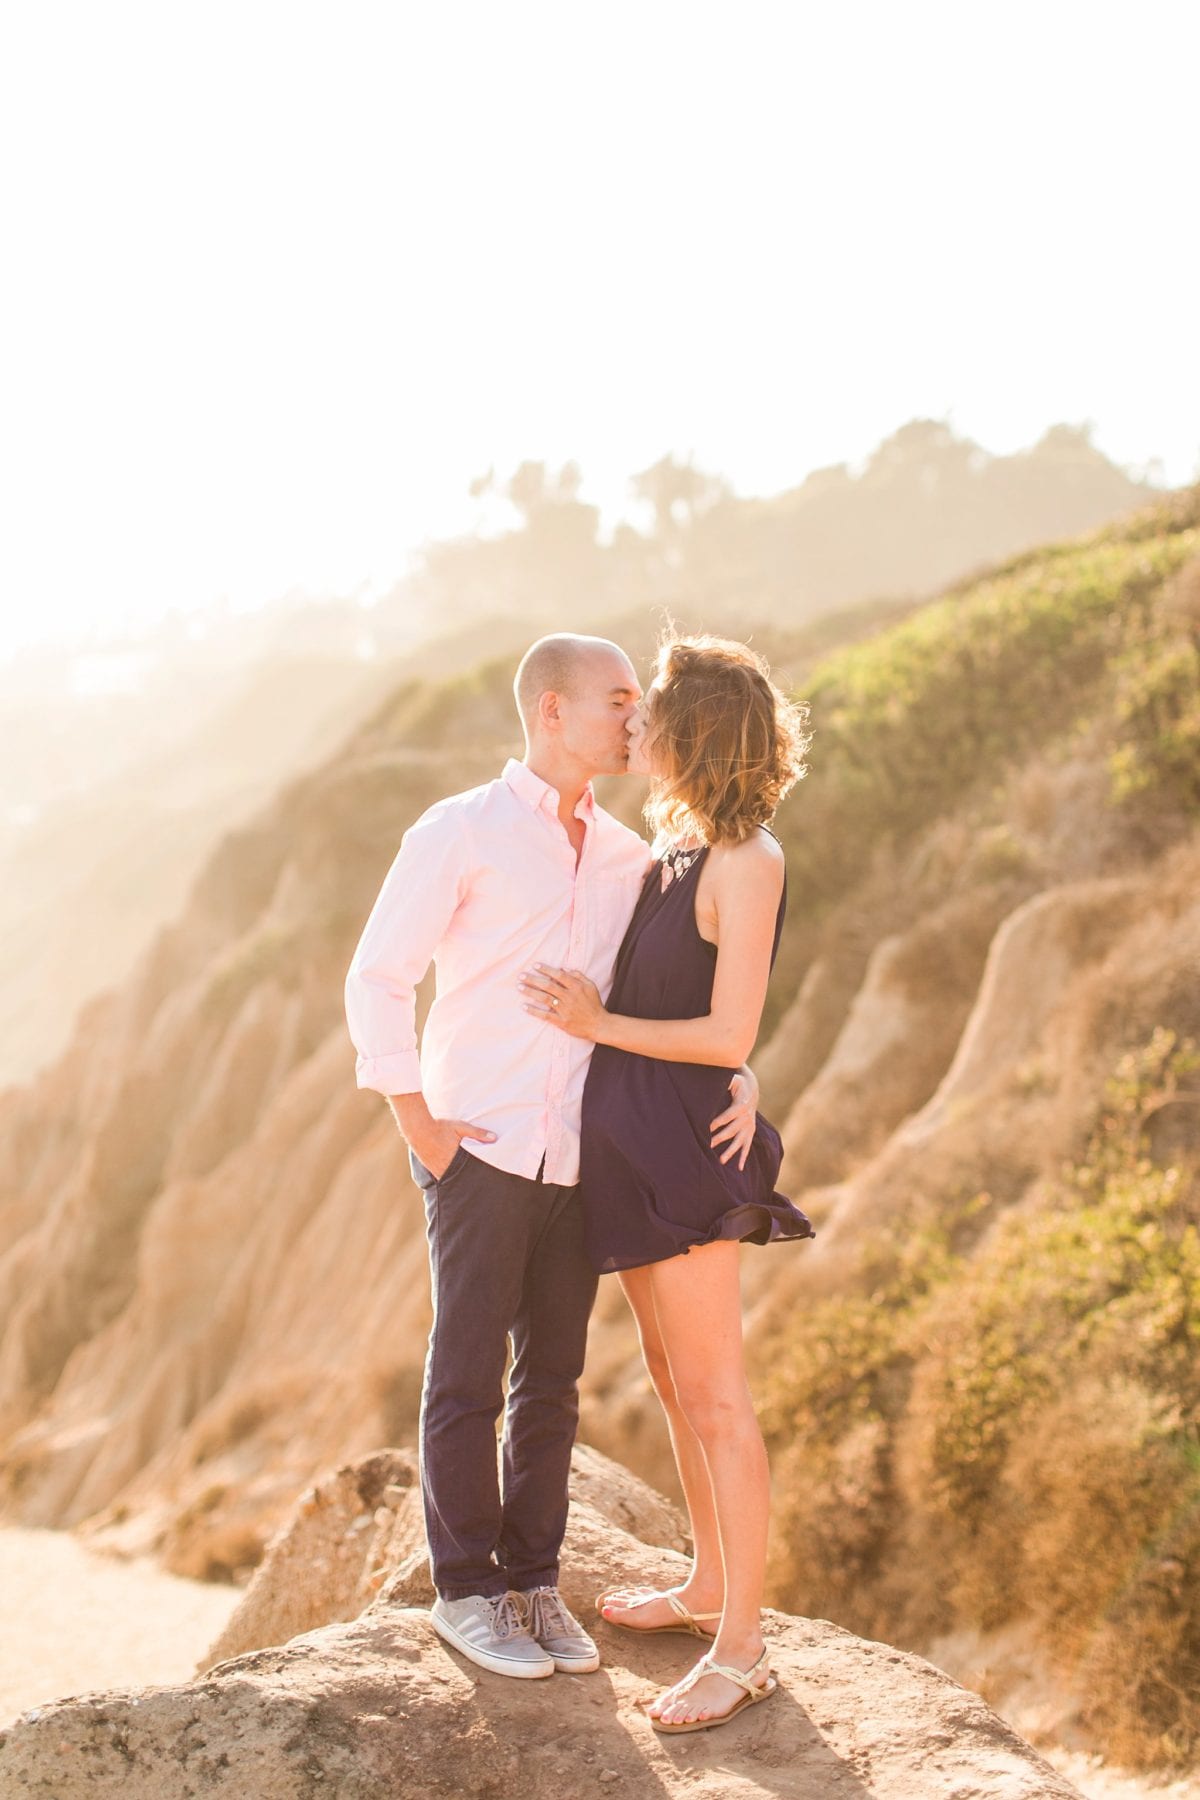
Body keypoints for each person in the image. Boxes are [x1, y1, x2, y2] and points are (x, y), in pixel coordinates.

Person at [343, 633, 763, 1682]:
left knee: (554, 1385)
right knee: (468, 1374)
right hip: (475, 1144)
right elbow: (376, 978)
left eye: (640, 701)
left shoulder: (633, 859)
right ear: (551, 711)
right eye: (618, 699)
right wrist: (421, 1126)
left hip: (581, 1157)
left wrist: (736, 1074)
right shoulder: (463, 830)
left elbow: (682, 996)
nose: (635, 719)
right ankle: (467, 1592)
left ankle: (534, 1584)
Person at [518, 633, 815, 1733]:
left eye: (651, 711)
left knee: (719, 1397)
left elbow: (728, 1021)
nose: (632, 723)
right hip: (637, 1144)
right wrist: (726, 1061)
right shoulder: (674, 849)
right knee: (673, 1378)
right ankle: (701, 1586)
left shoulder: (749, 859)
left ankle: (743, 1650)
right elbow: (713, 1019)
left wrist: (606, 1028)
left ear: (696, 732)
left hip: (687, 1154)